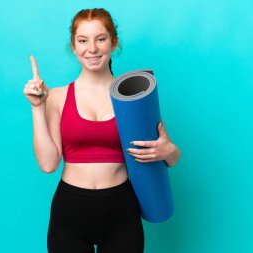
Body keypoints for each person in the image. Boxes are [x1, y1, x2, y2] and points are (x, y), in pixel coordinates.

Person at [23, 8, 181, 253]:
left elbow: (172, 156)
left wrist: (168, 150)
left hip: (122, 212)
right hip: (70, 213)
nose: (92, 49)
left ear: (113, 42)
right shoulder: (57, 96)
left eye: (101, 38)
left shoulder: (132, 96)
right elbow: (48, 165)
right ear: (74, 47)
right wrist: (37, 108)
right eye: (83, 40)